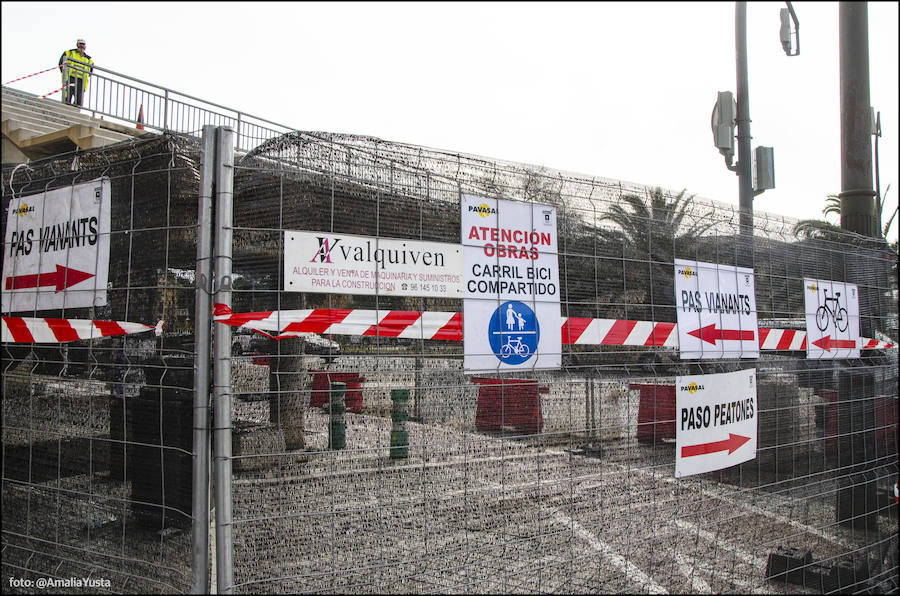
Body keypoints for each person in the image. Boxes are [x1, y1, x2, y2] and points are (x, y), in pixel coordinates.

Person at [58, 39, 93, 106]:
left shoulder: (89, 59)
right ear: (77, 44)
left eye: (83, 44)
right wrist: (64, 72)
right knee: (67, 97)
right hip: (70, 78)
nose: (82, 46)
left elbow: (90, 72)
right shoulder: (69, 53)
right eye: (80, 44)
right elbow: (61, 64)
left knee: (79, 101)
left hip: (81, 81)